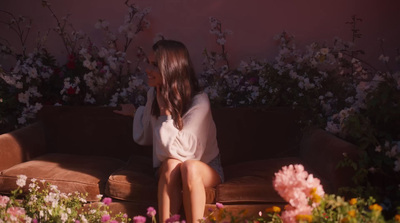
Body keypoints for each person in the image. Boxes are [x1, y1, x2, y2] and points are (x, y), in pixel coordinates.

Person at [114, 39, 224, 223]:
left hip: (203, 167)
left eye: (155, 65)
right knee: (173, 164)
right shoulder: (154, 94)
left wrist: (166, 114)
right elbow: (148, 138)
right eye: (149, 63)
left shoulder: (200, 101)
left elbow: (186, 153)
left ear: (171, 68)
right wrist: (137, 113)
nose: (148, 70)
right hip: (169, 169)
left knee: (187, 166)